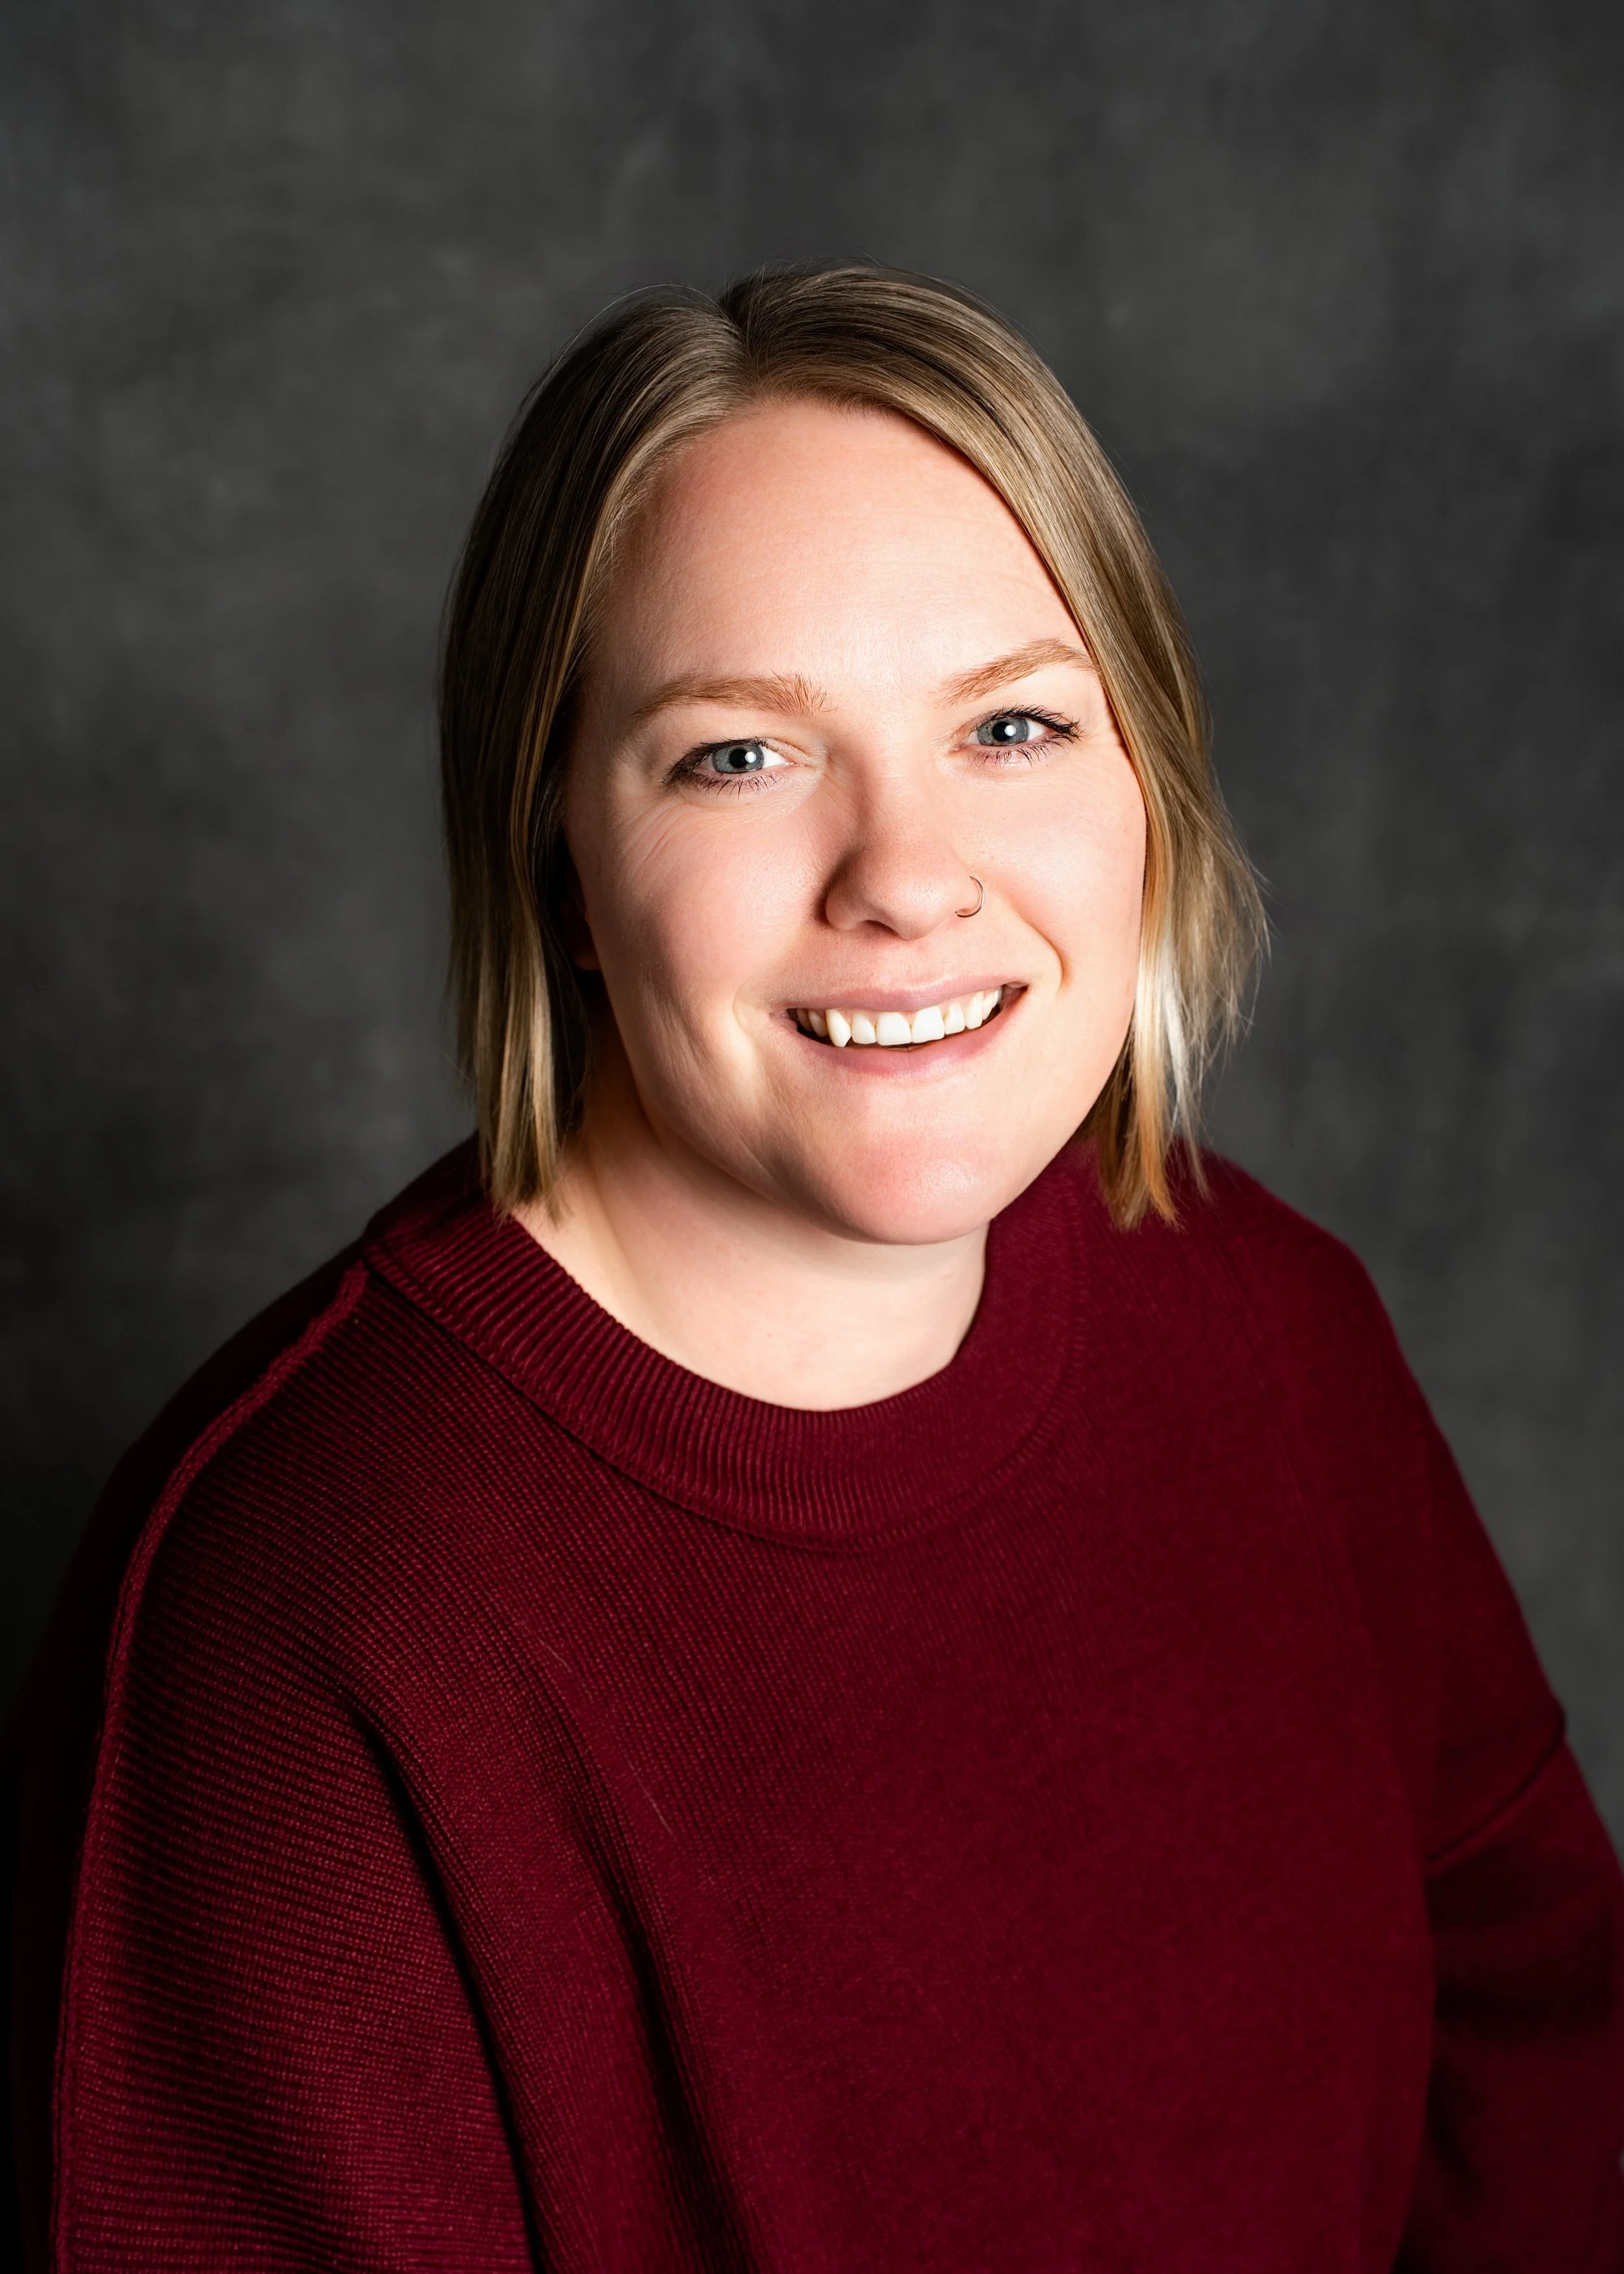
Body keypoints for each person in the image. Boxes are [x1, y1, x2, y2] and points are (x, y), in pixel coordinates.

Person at [5, 263, 1622, 2271]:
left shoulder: (1267, 1321)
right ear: (560, 870)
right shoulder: (303, 1613)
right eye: (738, 757)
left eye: (1012, 724)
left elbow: (1551, 2062)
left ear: (1149, 792)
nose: (908, 874)